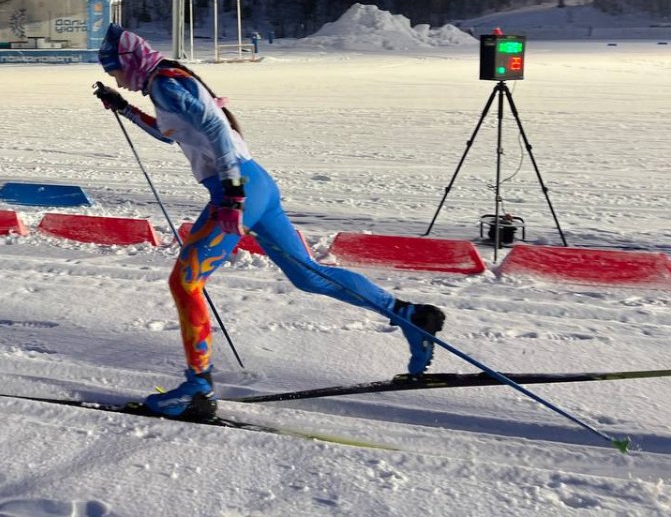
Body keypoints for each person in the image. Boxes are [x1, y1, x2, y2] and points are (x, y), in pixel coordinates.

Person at [93, 22, 445, 420]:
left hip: (239, 189)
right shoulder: (168, 83)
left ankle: (197, 387)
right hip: (257, 184)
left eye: (114, 71)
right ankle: (410, 315)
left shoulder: (165, 85)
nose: (116, 80)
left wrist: (233, 192)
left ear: (130, 61)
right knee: (308, 275)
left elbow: (214, 128)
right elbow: (172, 134)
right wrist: (124, 109)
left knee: (185, 281)